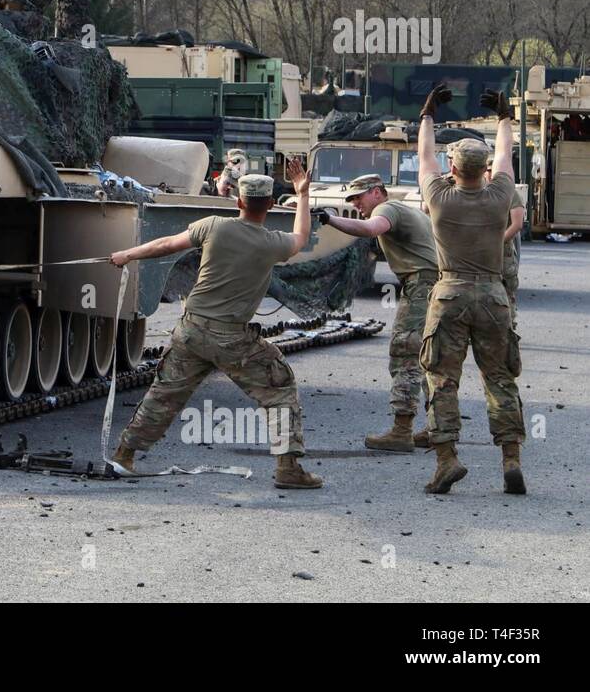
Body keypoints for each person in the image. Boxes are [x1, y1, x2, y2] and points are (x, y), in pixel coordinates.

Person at [108, 159, 321, 489]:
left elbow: (166, 245)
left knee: (163, 395)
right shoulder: (273, 244)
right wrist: (303, 194)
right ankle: (288, 468)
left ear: (237, 201)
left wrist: (127, 255)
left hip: (191, 331)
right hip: (232, 339)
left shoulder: (212, 226)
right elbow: (302, 235)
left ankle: (124, 455)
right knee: (279, 387)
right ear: (271, 205)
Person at [416, 84, 526, 495]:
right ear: (485, 171)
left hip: (449, 295)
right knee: (500, 378)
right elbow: (505, 156)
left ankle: (446, 460)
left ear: (453, 167)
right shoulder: (501, 195)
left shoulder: (439, 198)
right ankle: (511, 459)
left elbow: (425, 156)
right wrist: (504, 119)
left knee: (442, 379)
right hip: (494, 296)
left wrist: (427, 115)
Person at [318, 174, 438, 452]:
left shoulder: (386, 210)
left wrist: (330, 219)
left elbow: (371, 229)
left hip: (421, 286)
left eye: (359, 197)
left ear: (377, 192)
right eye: (352, 199)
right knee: (433, 357)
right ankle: (438, 427)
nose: (356, 203)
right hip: (437, 285)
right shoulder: (408, 211)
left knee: (406, 352)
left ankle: (401, 431)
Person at [486, 158, 525, 322]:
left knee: (506, 294)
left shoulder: (510, 193)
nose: (490, 174)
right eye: (487, 171)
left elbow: (517, 224)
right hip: (478, 252)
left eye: (493, 170)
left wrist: (496, 243)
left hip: (502, 253)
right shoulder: (478, 190)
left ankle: (508, 331)